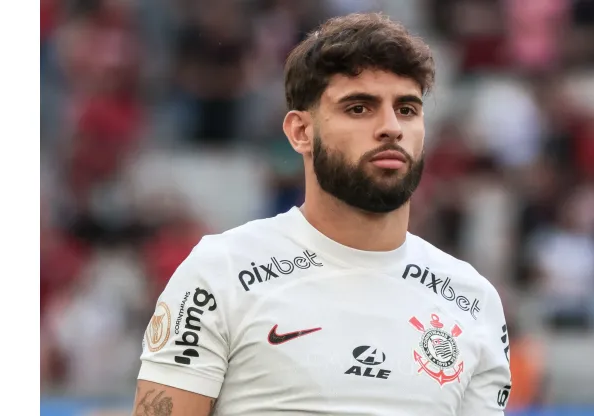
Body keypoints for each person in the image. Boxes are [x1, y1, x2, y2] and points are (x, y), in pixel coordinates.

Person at [132, 12, 512, 416]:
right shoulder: (220, 273)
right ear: (300, 132)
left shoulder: (472, 300)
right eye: (359, 108)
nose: (390, 128)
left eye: (406, 109)